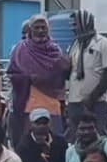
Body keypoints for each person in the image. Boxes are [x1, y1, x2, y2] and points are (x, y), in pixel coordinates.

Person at [8, 13, 69, 145]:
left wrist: (50, 74)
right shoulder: (21, 49)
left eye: (43, 27)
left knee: (54, 143)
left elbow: (63, 72)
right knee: (29, 143)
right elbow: (12, 73)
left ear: (48, 30)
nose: (40, 31)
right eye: (37, 27)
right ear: (30, 30)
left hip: (52, 102)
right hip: (28, 103)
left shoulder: (56, 50)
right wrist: (28, 78)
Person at [66, 10, 107, 133]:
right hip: (75, 102)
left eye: (75, 25)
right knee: (76, 139)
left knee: (99, 138)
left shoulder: (103, 43)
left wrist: (92, 97)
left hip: (96, 103)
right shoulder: (75, 45)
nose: (73, 28)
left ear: (85, 24)